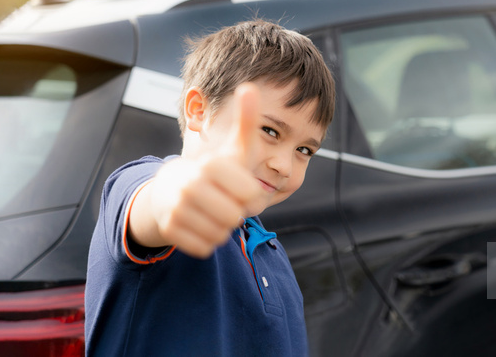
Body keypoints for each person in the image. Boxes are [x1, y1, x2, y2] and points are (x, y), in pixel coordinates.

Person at [85, 19, 335, 356]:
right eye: (270, 131)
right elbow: (155, 202)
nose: (284, 165)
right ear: (198, 110)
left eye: (304, 150)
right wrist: (177, 194)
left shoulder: (270, 254)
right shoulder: (147, 186)